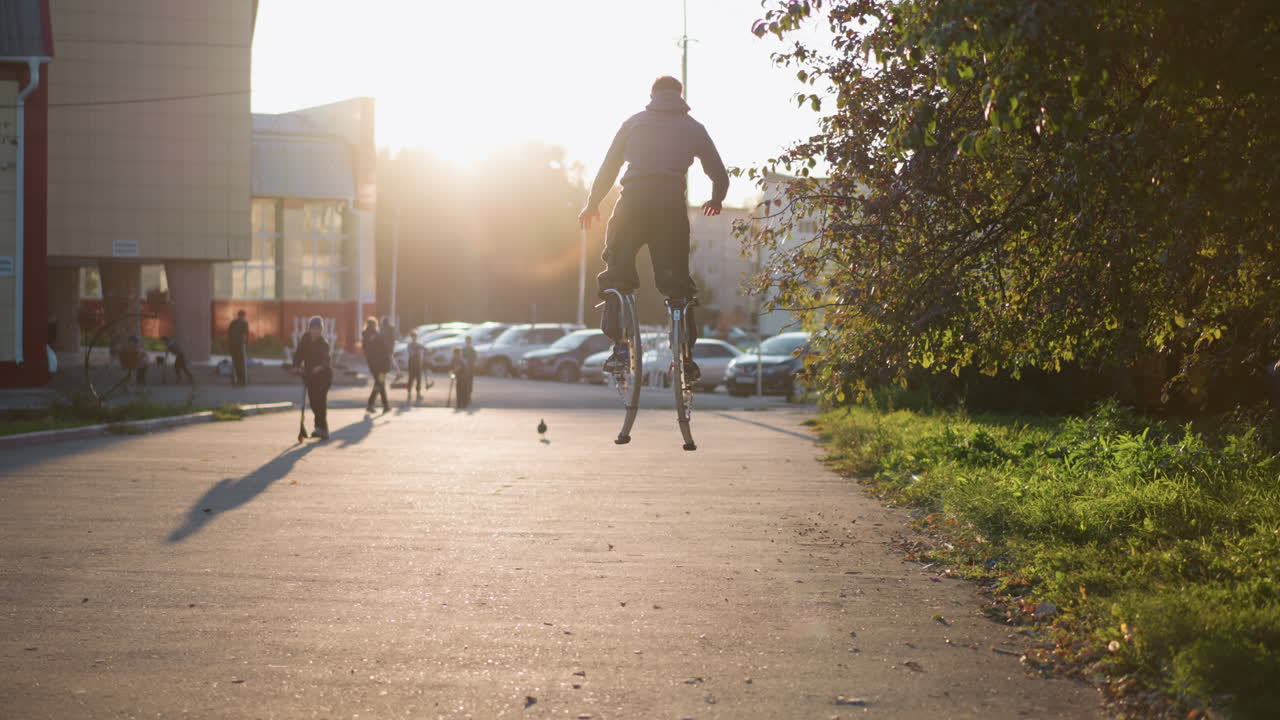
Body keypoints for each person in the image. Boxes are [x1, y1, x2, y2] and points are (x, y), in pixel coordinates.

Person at [578, 75, 729, 382]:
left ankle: (619, 349)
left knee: (616, 272)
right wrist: (716, 199)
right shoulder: (694, 128)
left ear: (652, 94)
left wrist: (592, 202)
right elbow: (719, 173)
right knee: (678, 286)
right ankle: (686, 356)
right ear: (680, 95)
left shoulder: (634, 123)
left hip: (632, 205)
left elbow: (609, 166)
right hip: (670, 210)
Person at [291, 315, 332, 440]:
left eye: (318, 329)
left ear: (321, 330)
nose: (315, 331)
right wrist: (296, 365)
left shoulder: (324, 344)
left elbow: (326, 360)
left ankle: (322, 429)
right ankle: (319, 428)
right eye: (313, 328)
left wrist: (320, 367)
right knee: (313, 402)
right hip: (310, 375)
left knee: (320, 402)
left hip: (323, 377)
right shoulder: (306, 338)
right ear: (309, 329)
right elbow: (299, 353)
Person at [362, 317, 391, 413]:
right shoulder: (377, 335)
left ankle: (383, 405)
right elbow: (385, 348)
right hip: (381, 366)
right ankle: (375, 404)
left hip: (374, 366)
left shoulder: (366, 337)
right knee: (380, 383)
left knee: (380, 383)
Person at [228, 310, 250, 386]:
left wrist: (230, 345)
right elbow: (247, 335)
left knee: (234, 363)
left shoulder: (232, 323)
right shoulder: (244, 323)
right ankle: (242, 381)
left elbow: (229, 335)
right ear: (243, 315)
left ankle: (234, 381)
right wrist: (246, 344)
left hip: (233, 345)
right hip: (240, 345)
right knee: (241, 364)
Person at [406, 333, 425, 403]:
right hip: (412, 364)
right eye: (413, 337)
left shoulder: (419, 345)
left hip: (418, 364)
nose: (414, 338)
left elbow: (423, 352)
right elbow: (411, 353)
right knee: (411, 379)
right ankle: (409, 393)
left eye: (415, 337)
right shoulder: (410, 345)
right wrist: (417, 350)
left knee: (418, 379)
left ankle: (418, 393)